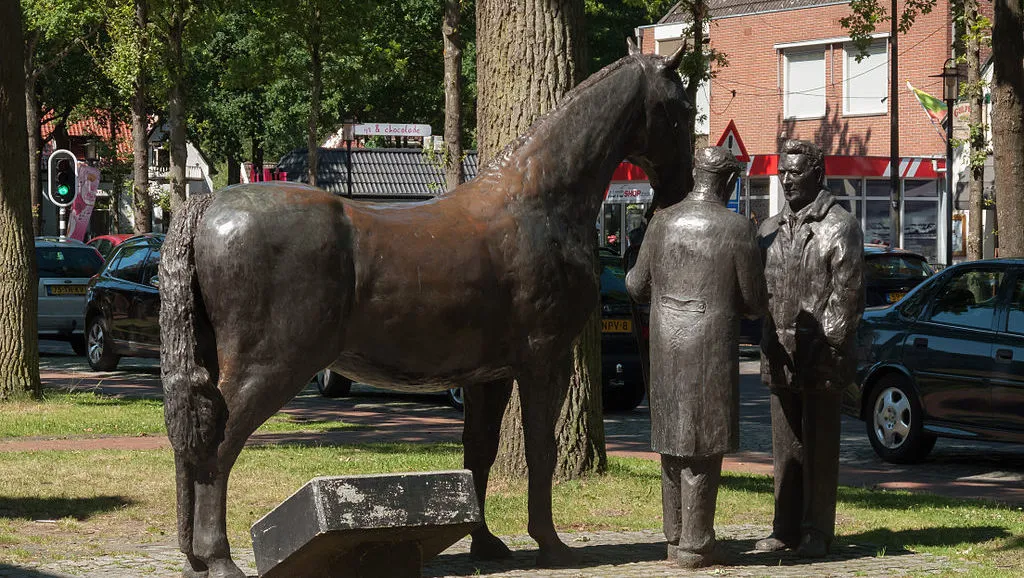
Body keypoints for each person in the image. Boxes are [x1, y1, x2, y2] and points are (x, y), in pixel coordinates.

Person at [626, 147, 766, 569]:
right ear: (729, 182)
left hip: (666, 343)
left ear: (695, 175)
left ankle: (675, 536)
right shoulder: (737, 228)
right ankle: (697, 542)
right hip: (709, 344)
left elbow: (636, 286)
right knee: (704, 443)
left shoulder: (661, 221)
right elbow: (754, 302)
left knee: (672, 438)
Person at [755, 139, 864, 558]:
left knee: (819, 446)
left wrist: (824, 345)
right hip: (779, 351)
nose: (786, 179)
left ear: (817, 174)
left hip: (821, 357)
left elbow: (848, 295)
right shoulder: (768, 229)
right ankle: (784, 528)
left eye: (795, 172)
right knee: (785, 446)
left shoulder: (841, 226)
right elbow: (758, 290)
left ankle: (817, 529)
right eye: (782, 172)